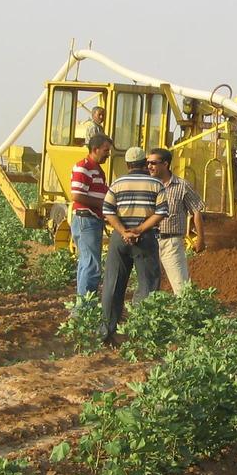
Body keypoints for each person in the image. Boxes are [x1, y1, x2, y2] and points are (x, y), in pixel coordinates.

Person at [100, 146, 168, 342]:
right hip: (145, 239)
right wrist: (138, 230)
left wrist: (123, 231)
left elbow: (108, 210)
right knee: (148, 285)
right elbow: (161, 212)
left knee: (113, 285)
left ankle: (106, 332)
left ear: (128, 164)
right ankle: (142, 334)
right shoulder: (156, 184)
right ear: (144, 164)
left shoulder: (117, 183)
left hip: (120, 240)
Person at [145, 147, 205, 294]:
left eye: (153, 163)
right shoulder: (147, 185)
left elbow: (196, 211)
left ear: (165, 164)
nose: (149, 166)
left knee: (181, 287)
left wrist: (201, 239)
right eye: (148, 163)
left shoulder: (182, 186)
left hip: (171, 242)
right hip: (149, 241)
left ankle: (186, 314)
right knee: (147, 285)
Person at [70, 134, 112, 295]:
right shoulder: (84, 167)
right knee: (91, 266)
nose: (108, 154)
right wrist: (105, 205)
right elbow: (77, 195)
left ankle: (83, 306)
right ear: (95, 149)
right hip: (87, 220)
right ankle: (85, 309)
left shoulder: (96, 169)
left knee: (86, 263)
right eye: (106, 150)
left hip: (90, 220)